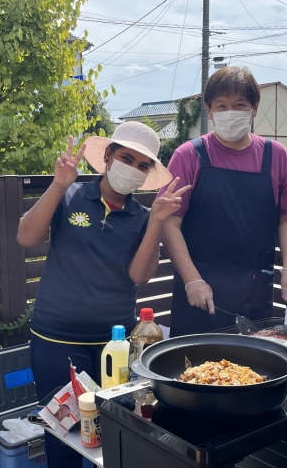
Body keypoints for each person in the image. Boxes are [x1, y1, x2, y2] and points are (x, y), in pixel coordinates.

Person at [17, 122, 189, 468]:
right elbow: (26, 237)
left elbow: (139, 276)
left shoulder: (143, 217)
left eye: (143, 165)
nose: (133, 169)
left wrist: (157, 221)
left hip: (115, 346)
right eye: (127, 158)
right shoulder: (69, 195)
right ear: (108, 156)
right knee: (63, 438)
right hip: (56, 342)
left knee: (113, 435)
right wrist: (58, 184)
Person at [160, 66, 287, 337]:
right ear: (209, 110)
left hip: (255, 291)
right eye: (221, 106)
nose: (230, 112)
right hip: (198, 293)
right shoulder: (188, 155)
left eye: (239, 105)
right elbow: (169, 223)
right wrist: (191, 279)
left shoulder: (276, 155)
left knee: (253, 360)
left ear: (254, 109)